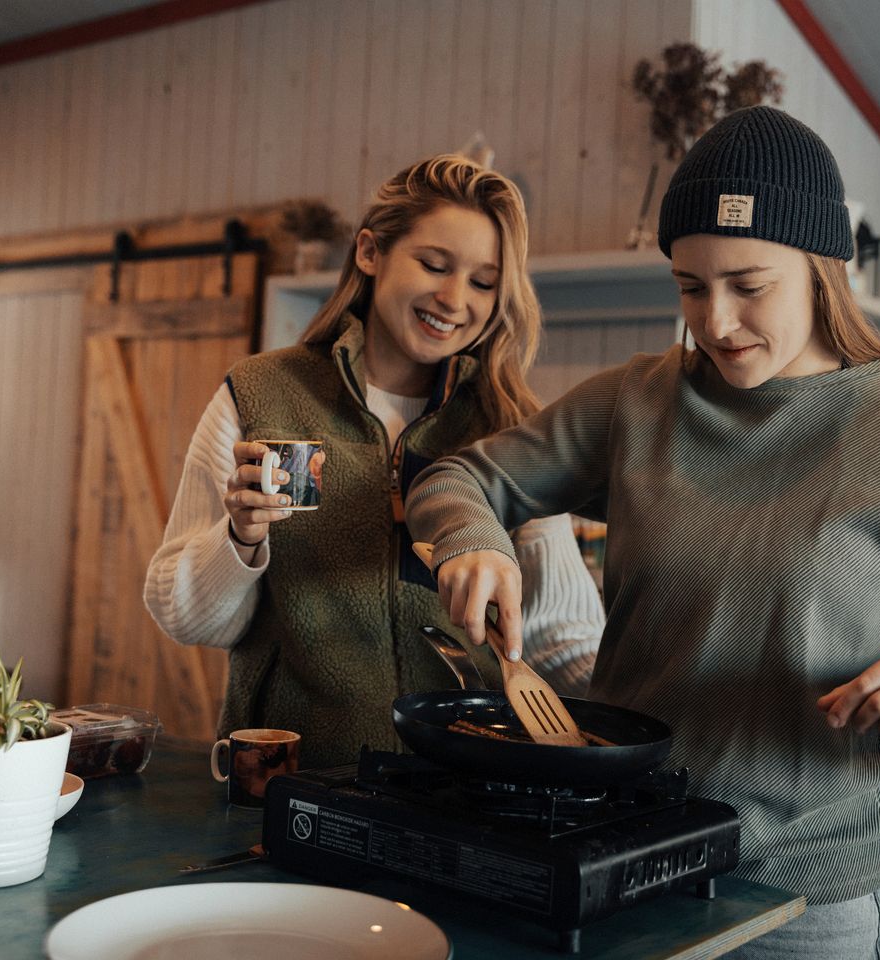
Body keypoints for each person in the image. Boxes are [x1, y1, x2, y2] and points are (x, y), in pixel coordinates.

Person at [405, 108, 880, 959]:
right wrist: (474, 541)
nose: (714, 322)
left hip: (802, 903)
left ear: (823, 271)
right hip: (624, 864)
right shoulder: (640, 400)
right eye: (689, 286)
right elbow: (458, 477)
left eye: (748, 286)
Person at [144, 155, 603, 769]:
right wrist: (240, 538)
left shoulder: (508, 425)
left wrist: (662, 697)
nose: (453, 298)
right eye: (434, 265)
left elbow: (559, 634)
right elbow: (187, 618)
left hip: (462, 790)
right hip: (291, 786)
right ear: (369, 252)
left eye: (483, 282)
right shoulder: (259, 394)